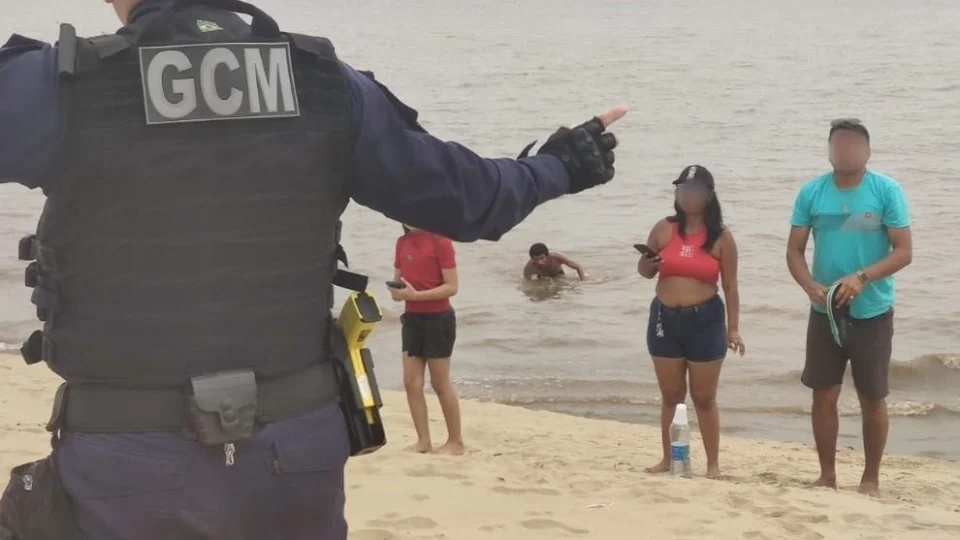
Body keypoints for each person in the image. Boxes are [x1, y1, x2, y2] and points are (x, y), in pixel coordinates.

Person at [0, 1, 626, 538]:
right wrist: (563, 164)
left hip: (129, 466)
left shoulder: (66, 86)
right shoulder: (326, 85)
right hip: (295, 460)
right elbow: (473, 199)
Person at [786, 119, 912, 496]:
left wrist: (862, 278)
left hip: (871, 309)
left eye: (853, 145)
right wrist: (809, 285)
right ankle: (827, 476)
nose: (845, 151)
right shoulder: (812, 192)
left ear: (867, 152)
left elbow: (904, 251)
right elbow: (794, 250)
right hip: (824, 310)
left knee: (872, 396)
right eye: (838, 145)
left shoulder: (886, 190)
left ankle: (870, 478)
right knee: (823, 393)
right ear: (829, 150)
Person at [637, 165, 744, 479]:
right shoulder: (663, 228)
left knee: (704, 397)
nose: (688, 196)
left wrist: (733, 328)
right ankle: (668, 459)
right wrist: (646, 262)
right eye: (683, 190)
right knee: (671, 395)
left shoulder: (722, 237)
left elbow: (731, 286)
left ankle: (713, 464)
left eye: (695, 190)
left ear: (709, 195)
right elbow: (646, 273)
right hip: (664, 318)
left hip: (706, 319)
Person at [390, 224, 463, 455]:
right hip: (412, 319)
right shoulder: (402, 242)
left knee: (440, 383)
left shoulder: (440, 240)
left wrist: (416, 296)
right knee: (411, 382)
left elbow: (452, 287)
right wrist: (398, 293)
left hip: (438, 319)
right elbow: (399, 281)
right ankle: (423, 441)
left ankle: (456, 442)